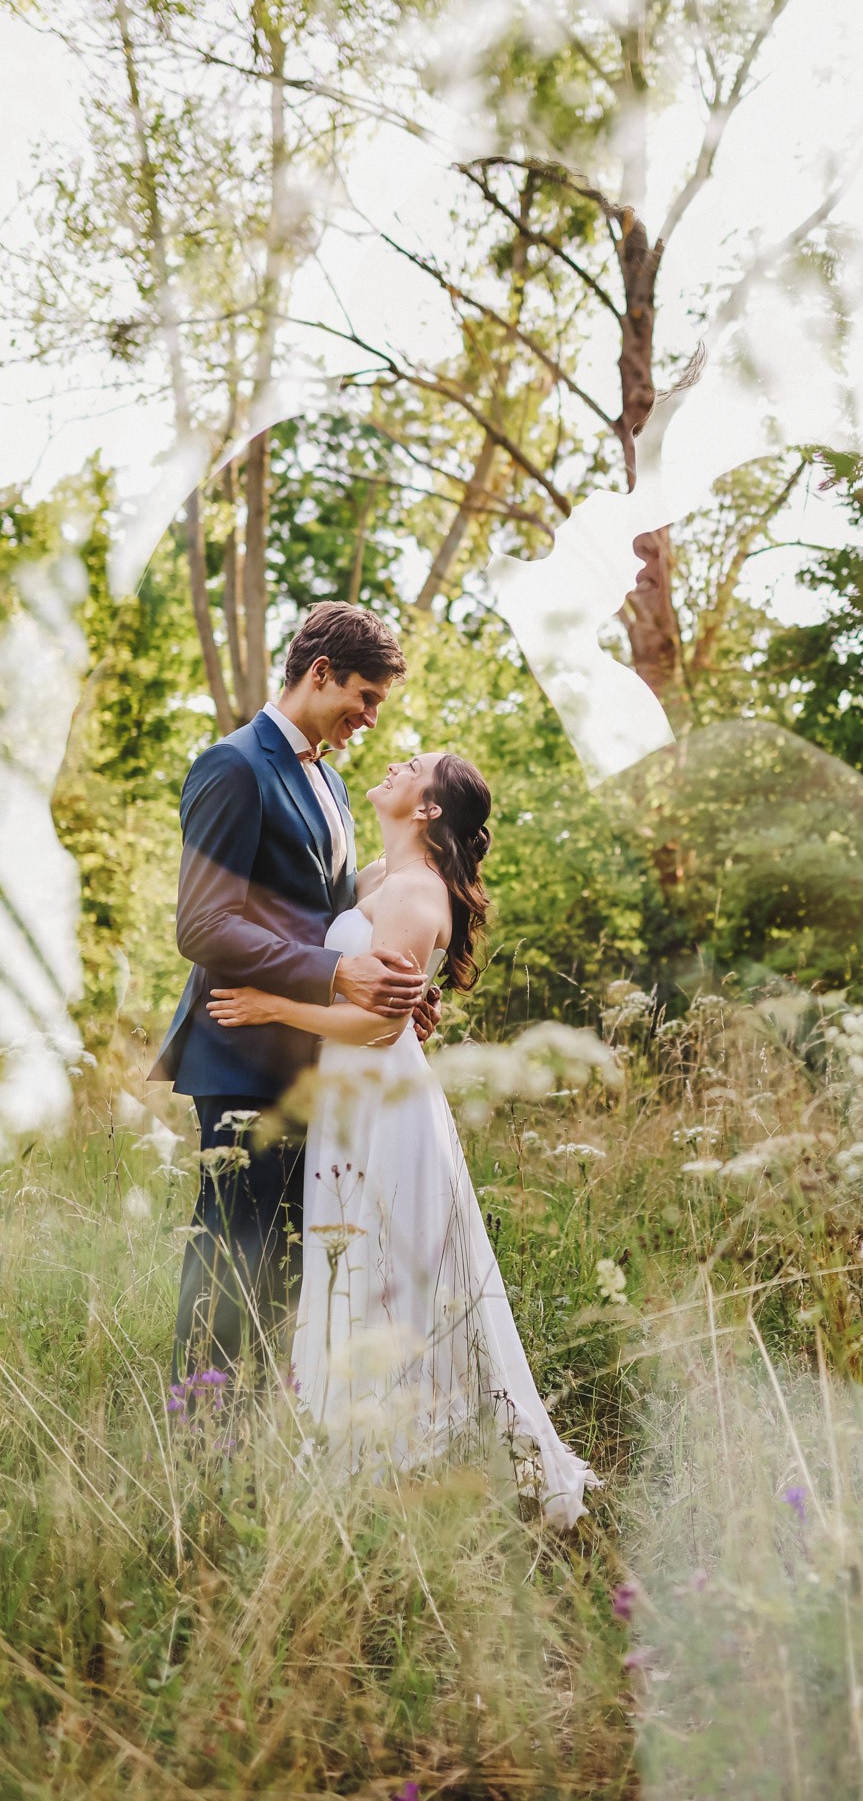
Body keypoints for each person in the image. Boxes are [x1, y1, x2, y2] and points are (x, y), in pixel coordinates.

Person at [207, 750, 602, 1530]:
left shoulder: (418, 893)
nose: (393, 762)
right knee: (353, 1265)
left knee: (394, 1274)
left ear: (428, 809)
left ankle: (419, 1455)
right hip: (351, 1098)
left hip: (384, 1101)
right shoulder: (376, 882)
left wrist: (269, 1008)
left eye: (413, 765)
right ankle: (357, 1444)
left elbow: (379, 1025)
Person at [153, 601, 438, 1379]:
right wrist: (336, 972)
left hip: (316, 1062)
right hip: (241, 1055)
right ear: (321, 673)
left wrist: (395, 982)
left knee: (284, 1262)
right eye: (367, 697)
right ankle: (201, 1430)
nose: (372, 718)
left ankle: (262, 1430)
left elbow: (332, 916)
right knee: (228, 1255)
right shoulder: (233, 765)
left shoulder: (334, 786)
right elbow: (203, 927)